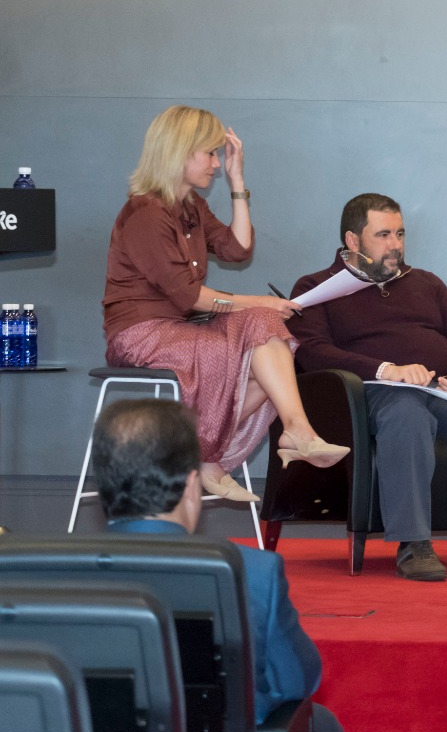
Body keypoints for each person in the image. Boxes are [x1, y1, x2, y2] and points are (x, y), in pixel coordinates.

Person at [93, 398, 346, 732]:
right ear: (192, 486)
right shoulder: (251, 571)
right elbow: (298, 680)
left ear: (104, 485)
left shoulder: (36, 571)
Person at [102, 105, 348, 504]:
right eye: (210, 154)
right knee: (239, 347)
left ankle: (297, 429)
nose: (216, 164)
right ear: (179, 152)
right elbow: (188, 295)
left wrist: (238, 181)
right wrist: (258, 300)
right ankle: (210, 460)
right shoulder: (145, 212)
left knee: (267, 332)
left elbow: (238, 248)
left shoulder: (191, 208)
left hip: (183, 328)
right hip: (139, 333)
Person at [290, 193, 447, 582]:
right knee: (405, 409)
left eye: (400, 233)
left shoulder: (425, 282)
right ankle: (413, 543)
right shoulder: (318, 287)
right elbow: (314, 353)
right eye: (383, 235)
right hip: (371, 397)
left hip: (441, 392)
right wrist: (387, 370)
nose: (396, 244)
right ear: (353, 241)